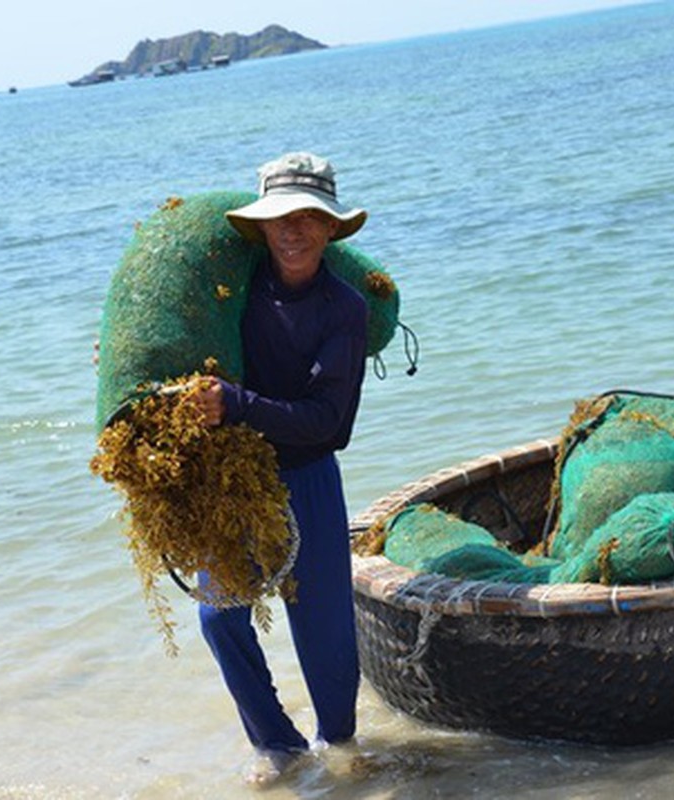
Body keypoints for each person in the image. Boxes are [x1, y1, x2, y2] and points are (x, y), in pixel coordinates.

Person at [191, 152, 369, 783]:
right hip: (238, 479)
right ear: (262, 227)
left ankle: (340, 748)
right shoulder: (233, 289)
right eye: (280, 219)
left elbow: (328, 423)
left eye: (309, 218)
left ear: (330, 229)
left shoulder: (344, 310)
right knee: (218, 614)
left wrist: (235, 405)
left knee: (323, 629)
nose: (293, 231)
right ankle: (276, 742)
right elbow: (187, 345)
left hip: (310, 476)